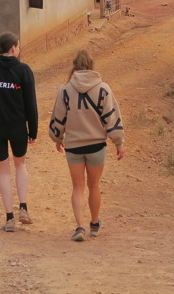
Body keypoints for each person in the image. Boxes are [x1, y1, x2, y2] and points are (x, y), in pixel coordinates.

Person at [48, 50, 125, 241]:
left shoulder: (65, 90)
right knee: (94, 185)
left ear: (74, 65)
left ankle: (79, 227)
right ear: (91, 65)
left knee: (77, 187)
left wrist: (57, 138)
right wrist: (119, 143)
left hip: (73, 147)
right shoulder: (103, 89)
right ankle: (94, 223)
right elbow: (111, 118)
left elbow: (58, 118)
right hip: (96, 146)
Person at [0, 32, 38, 232]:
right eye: (18, 46)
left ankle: (9, 218)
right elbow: (31, 103)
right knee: (20, 165)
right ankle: (23, 208)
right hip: (17, 126)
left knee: (3, 170)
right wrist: (33, 130)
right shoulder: (23, 70)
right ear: (13, 48)